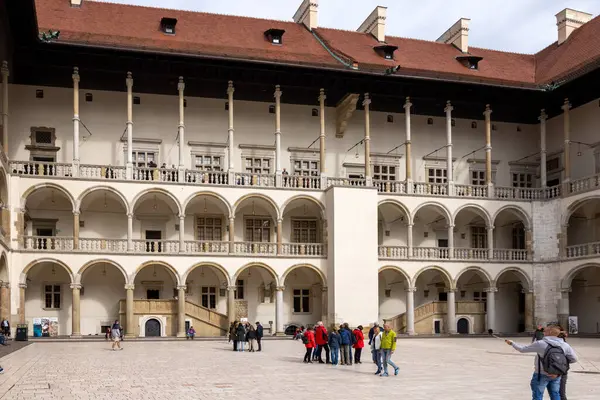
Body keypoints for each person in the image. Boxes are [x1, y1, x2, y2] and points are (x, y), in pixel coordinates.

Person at [506, 324, 577, 400]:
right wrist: (558, 366)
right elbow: (574, 359)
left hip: (541, 374)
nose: (543, 332)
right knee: (555, 395)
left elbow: (522, 349)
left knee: (538, 396)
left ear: (549, 332)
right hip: (556, 375)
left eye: (545, 331)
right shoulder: (565, 345)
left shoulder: (541, 343)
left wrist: (512, 343)